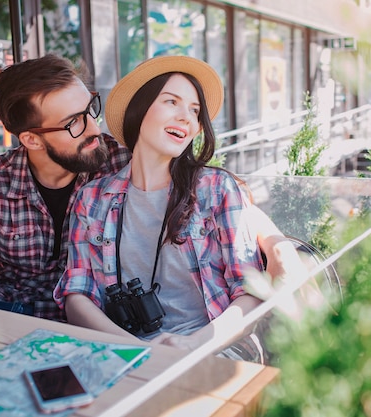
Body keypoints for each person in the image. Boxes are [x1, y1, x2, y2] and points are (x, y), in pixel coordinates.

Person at [53, 56, 270, 359]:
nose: (186, 118)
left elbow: (251, 292)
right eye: (172, 102)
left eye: (195, 111)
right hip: (122, 350)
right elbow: (77, 294)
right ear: (139, 110)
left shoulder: (216, 189)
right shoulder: (92, 199)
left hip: (215, 348)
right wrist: (137, 350)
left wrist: (193, 345)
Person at [0, 54, 131, 322]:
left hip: (100, 318)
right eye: (73, 123)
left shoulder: (122, 162)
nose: (94, 128)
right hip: (12, 317)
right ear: (31, 140)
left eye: (91, 109)